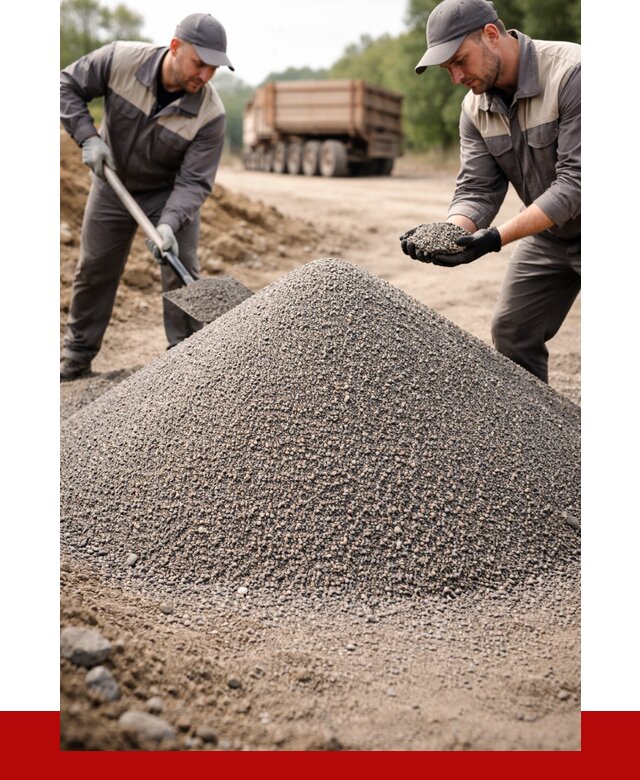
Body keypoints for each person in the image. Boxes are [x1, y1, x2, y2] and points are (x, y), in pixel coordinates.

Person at [400, 0, 580, 383]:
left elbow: (574, 185)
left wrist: (494, 239)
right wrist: (453, 232)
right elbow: (477, 190)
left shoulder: (571, 73)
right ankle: (541, 434)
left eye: (460, 61)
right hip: (551, 236)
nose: (456, 77)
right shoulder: (474, 108)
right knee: (512, 331)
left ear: (491, 35)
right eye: (448, 69)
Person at [60, 12, 234, 380]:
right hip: (113, 183)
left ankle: (186, 361)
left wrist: (169, 224)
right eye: (199, 63)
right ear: (175, 47)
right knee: (94, 268)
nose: (204, 76)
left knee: (179, 265)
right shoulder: (120, 60)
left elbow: (194, 183)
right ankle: (76, 356)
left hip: (167, 193)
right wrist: (87, 136)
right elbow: (65, 85)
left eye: (213, 69)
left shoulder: (210, 115)